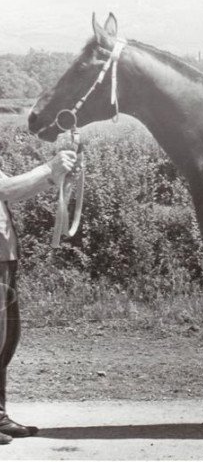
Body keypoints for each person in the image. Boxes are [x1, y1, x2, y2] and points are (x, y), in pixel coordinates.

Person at [0, 150, 77, 445]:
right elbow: (5, 190)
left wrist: (54, 175)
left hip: (4, 255)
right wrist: (50, 167)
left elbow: (12, 188)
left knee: (5, 340)